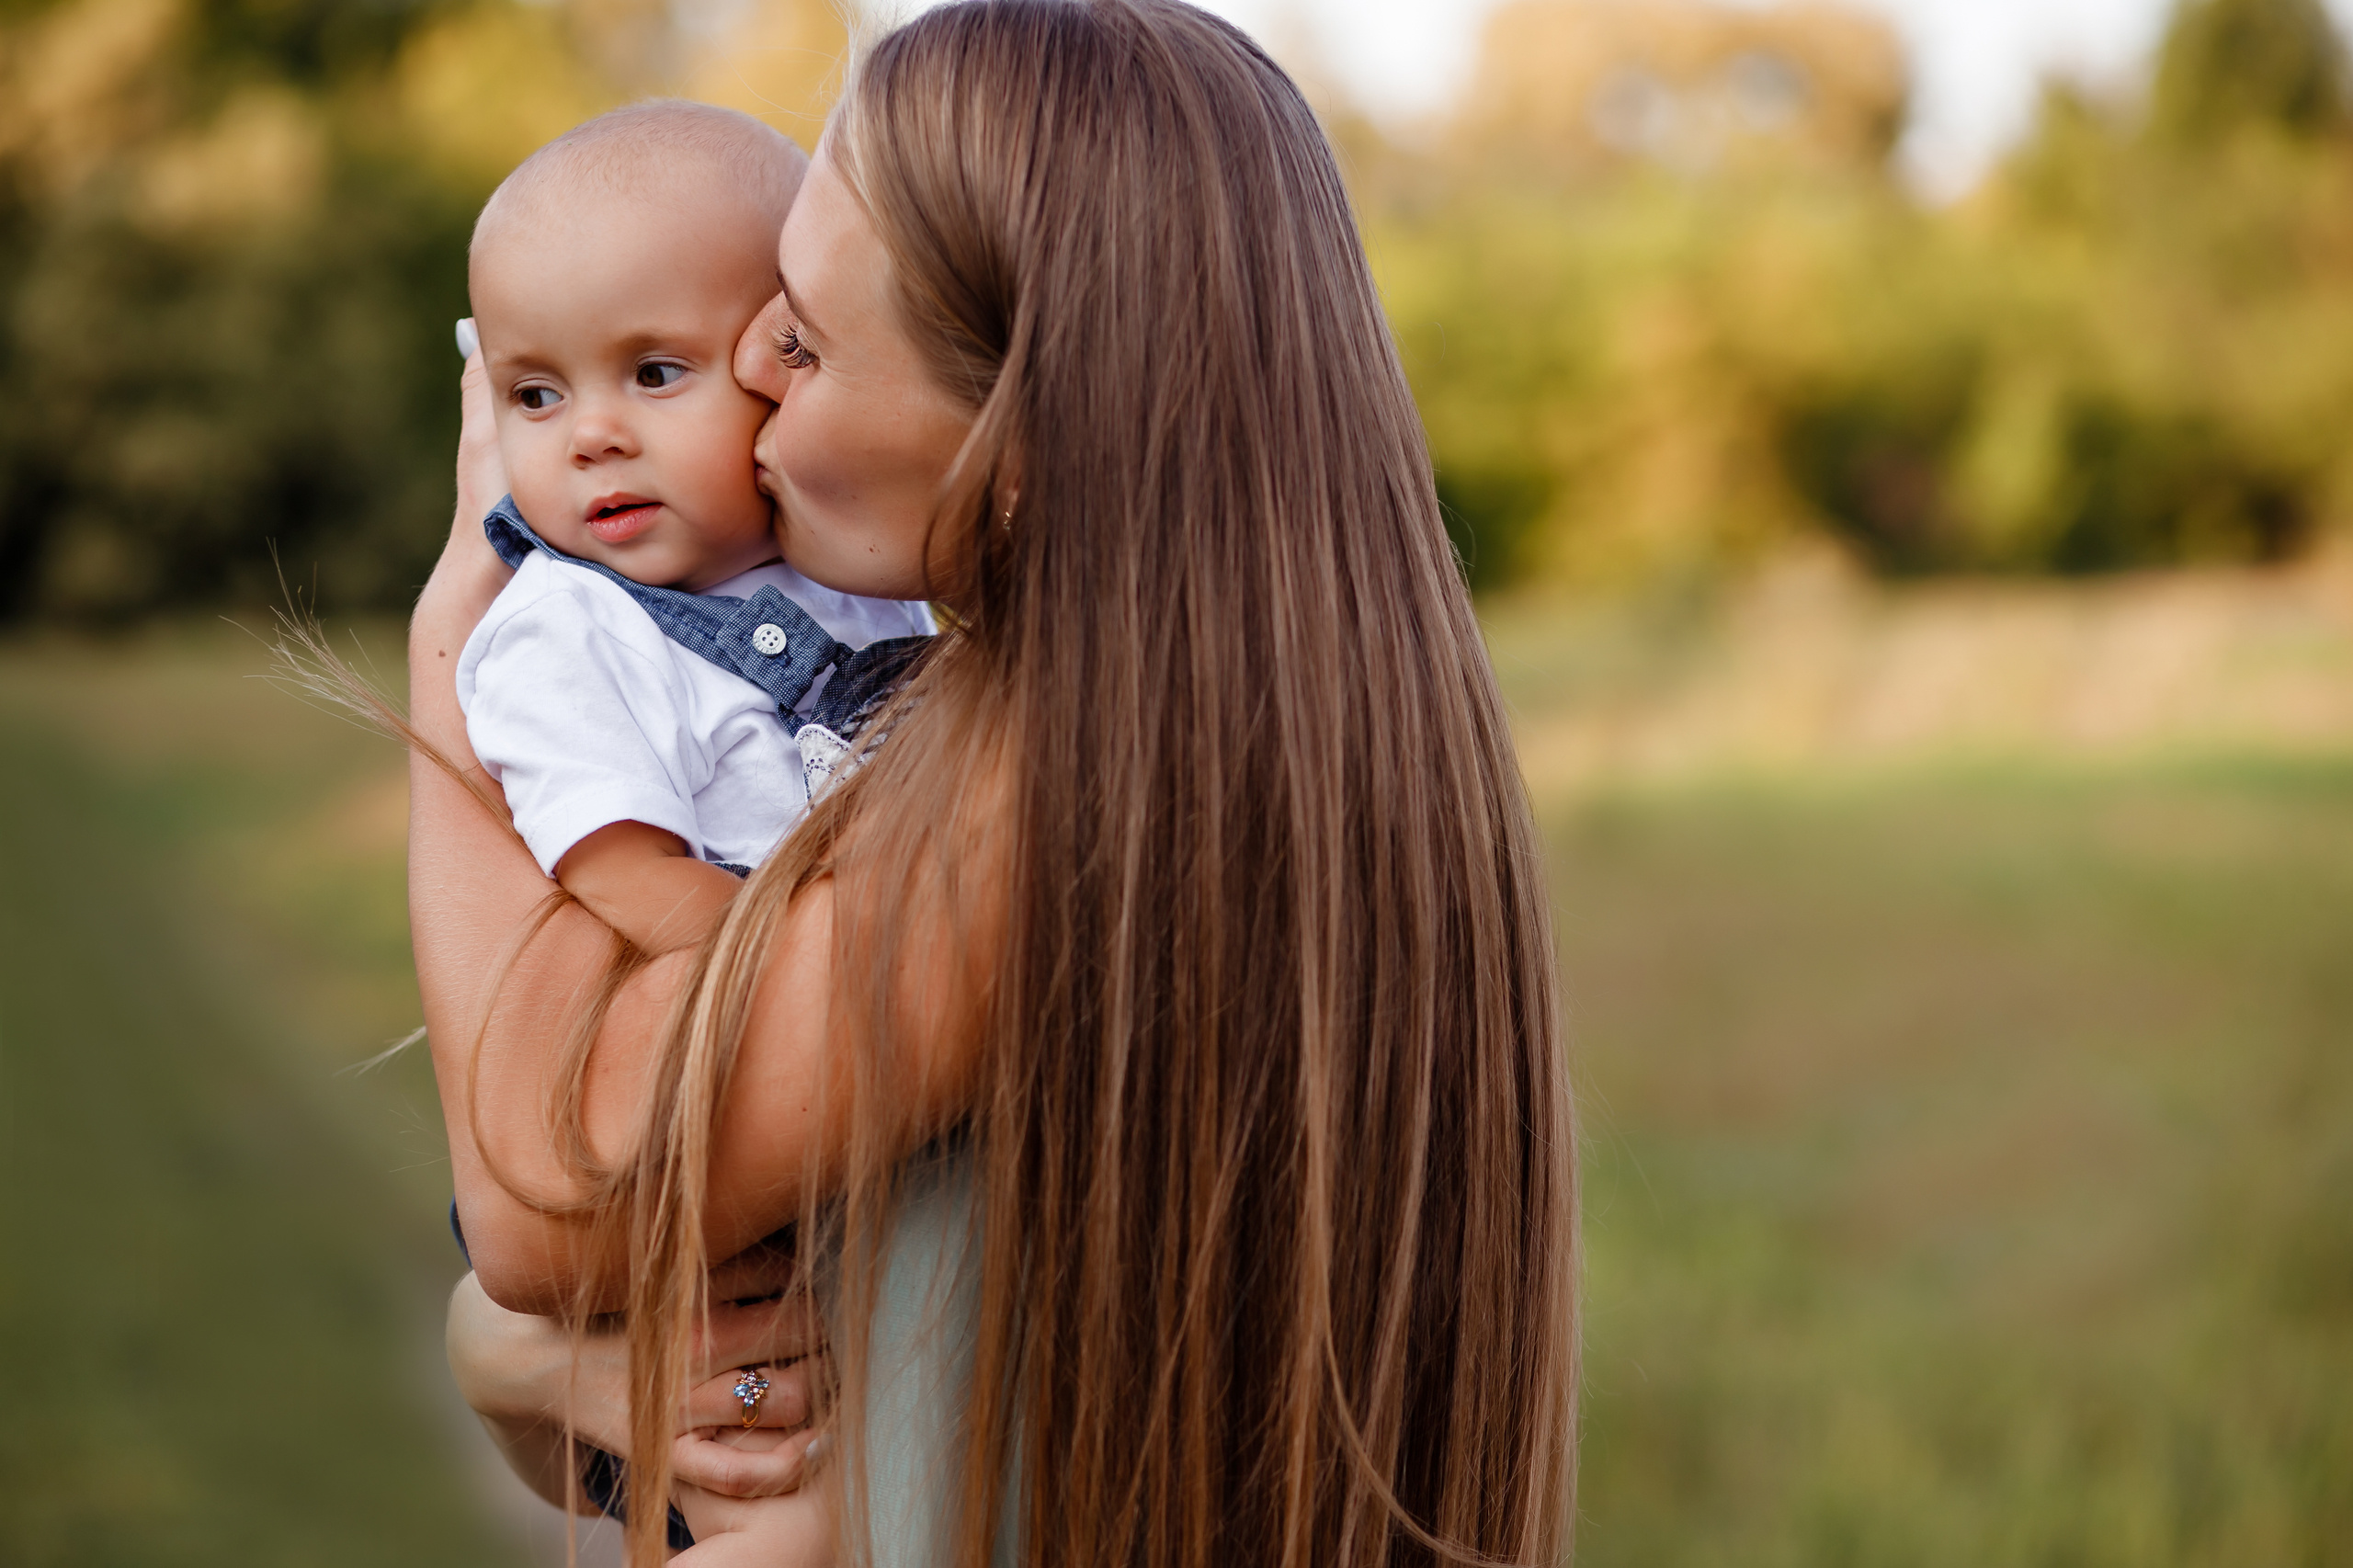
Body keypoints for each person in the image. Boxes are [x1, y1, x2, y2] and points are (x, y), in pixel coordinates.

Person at [417, 3, 1580, 1564]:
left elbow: (547, 1203)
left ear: (1017, 446)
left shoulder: (1057, 798)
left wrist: (463, 644)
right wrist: (512, 1358)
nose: (752, 363)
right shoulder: (1267, 721)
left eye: (808, 339)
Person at [456, 99, 933, 962]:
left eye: (654, 372)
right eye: (535, 394)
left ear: (784, 354)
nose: (589, 435)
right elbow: (627, 876)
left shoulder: (863, 561)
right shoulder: (567, 631)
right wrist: (813, 978)